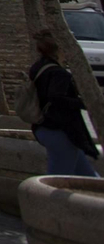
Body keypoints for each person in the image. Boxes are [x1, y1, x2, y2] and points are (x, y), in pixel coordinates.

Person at [28, 28, 101, 177]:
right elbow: (56, 98)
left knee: (86, 175)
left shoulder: (39, 67)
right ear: (60, 49)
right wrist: (84, 103)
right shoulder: (59, 74)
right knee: (58, 180)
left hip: (46, 128)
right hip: (60, 130)